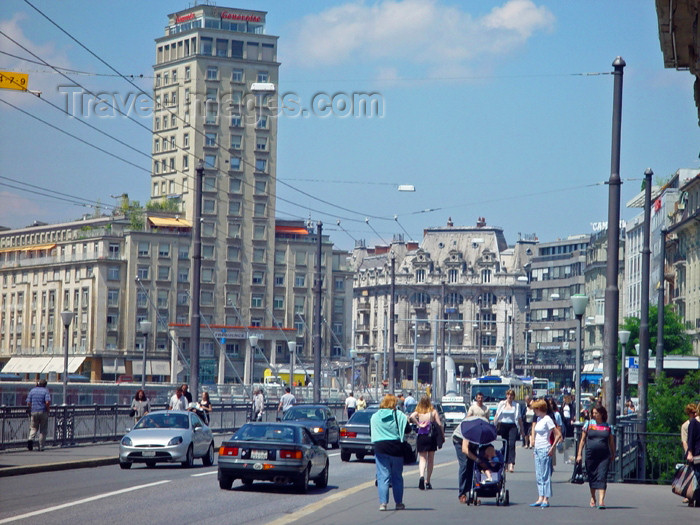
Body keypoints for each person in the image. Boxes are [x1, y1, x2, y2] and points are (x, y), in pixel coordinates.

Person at [370, 394, 408, 511]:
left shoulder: (375, 416)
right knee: (397, 477)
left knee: (383, 476)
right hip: (396, 448)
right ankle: (399, 503)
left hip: (380, 447)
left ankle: (383, 503)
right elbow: (407, 430)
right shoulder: (400, 415)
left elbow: (371, 430)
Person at [576, 405, 615, 509]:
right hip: (591, 455)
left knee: (602, 476)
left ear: (602, 414)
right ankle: (593, 497)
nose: (594, 415)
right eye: (593, 413)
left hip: (604, 456)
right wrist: (579, 454)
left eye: (596, 413)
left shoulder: (608, 426)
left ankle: (601, 501)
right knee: (592, 476)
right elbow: (582, 440)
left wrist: (613, 453)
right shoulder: (588, 424)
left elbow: (611, 442)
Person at [529, 398, 561, 508]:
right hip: (538, 449)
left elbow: (558, 434)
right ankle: (540, 497)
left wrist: (552, 448)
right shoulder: (539, 419)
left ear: (540, 409)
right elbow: (537, 434)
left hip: (545, 448)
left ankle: (546, 499)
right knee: (538, 475)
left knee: (545, 475)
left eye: (536, 409)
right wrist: (534, 448)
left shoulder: (547, 419)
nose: (534, 411)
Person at [409, 395, 444, 490]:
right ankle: (427, 481)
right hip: (431, 437)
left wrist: (418, 423)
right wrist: (442, 435)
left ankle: (421, 476)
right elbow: (439, 424)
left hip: (421, 437)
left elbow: (411, 416)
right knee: (431, 459)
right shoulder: (433, 412)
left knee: (422, 459)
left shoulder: (419, 412)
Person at [453, 415, 487, 504]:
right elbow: (464, 449)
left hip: (472, 444)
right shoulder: (469, 429)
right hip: (459, 440)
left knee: (472, 466)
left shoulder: (484, 429)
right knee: (465, 464)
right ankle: (462, 493)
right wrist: (478, 459)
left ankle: (471, 493)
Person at [494, 389, 523, 473]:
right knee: (505, 444)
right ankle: (505, 463)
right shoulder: (502, 404)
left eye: (511, 395)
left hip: (513, 426)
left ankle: (511, 463)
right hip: (503, 425)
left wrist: (522, 430)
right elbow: (497, 415)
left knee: (512, 444)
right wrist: (494, 426)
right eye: (508, 395)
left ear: (513, 396)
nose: (510, 397)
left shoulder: (516, 405)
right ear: (506, 396)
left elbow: (519, 418)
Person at [26, 379, 51, 451]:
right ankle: (41, 446)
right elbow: (47, 402)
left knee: (33, 428)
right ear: (45, 385)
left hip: (34, 411)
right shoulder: (46, 391)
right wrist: (48, 409)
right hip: (43, 411)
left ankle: (30, 439)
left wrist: (32, 407)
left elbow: (28, 402)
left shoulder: (32, 390)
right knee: (43, 430)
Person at [685, 402, 700, 507]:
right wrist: (689, 453)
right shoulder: (694, 423)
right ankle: (695, 498)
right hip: (697, 454)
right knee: (697, 476)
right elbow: (690, 439)